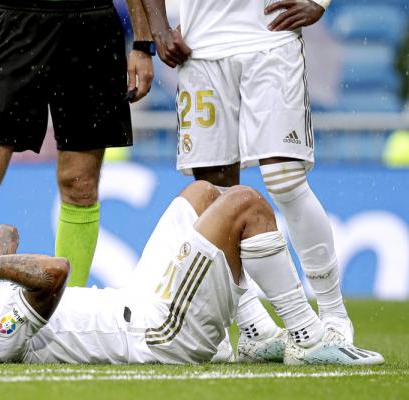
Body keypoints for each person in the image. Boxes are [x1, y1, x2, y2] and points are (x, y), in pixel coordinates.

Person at [0, 182, 383, 365]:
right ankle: (308, 336)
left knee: (202, 193)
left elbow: (7, 236)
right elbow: (54, 271)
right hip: (158, 334)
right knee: (245, 204)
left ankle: (252, 333)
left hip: (138, 297)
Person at [139, 0, 354, 361]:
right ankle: (252, 326)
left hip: (270, 39)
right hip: (199, 48)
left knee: (285, 179)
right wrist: (158, 28)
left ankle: (333, 314)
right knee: (216, 197)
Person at [0, 0, 155, 287]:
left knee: (80, 185)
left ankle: (69, 310)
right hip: (17, 22)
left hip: (92, 25)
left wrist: (142, 45)